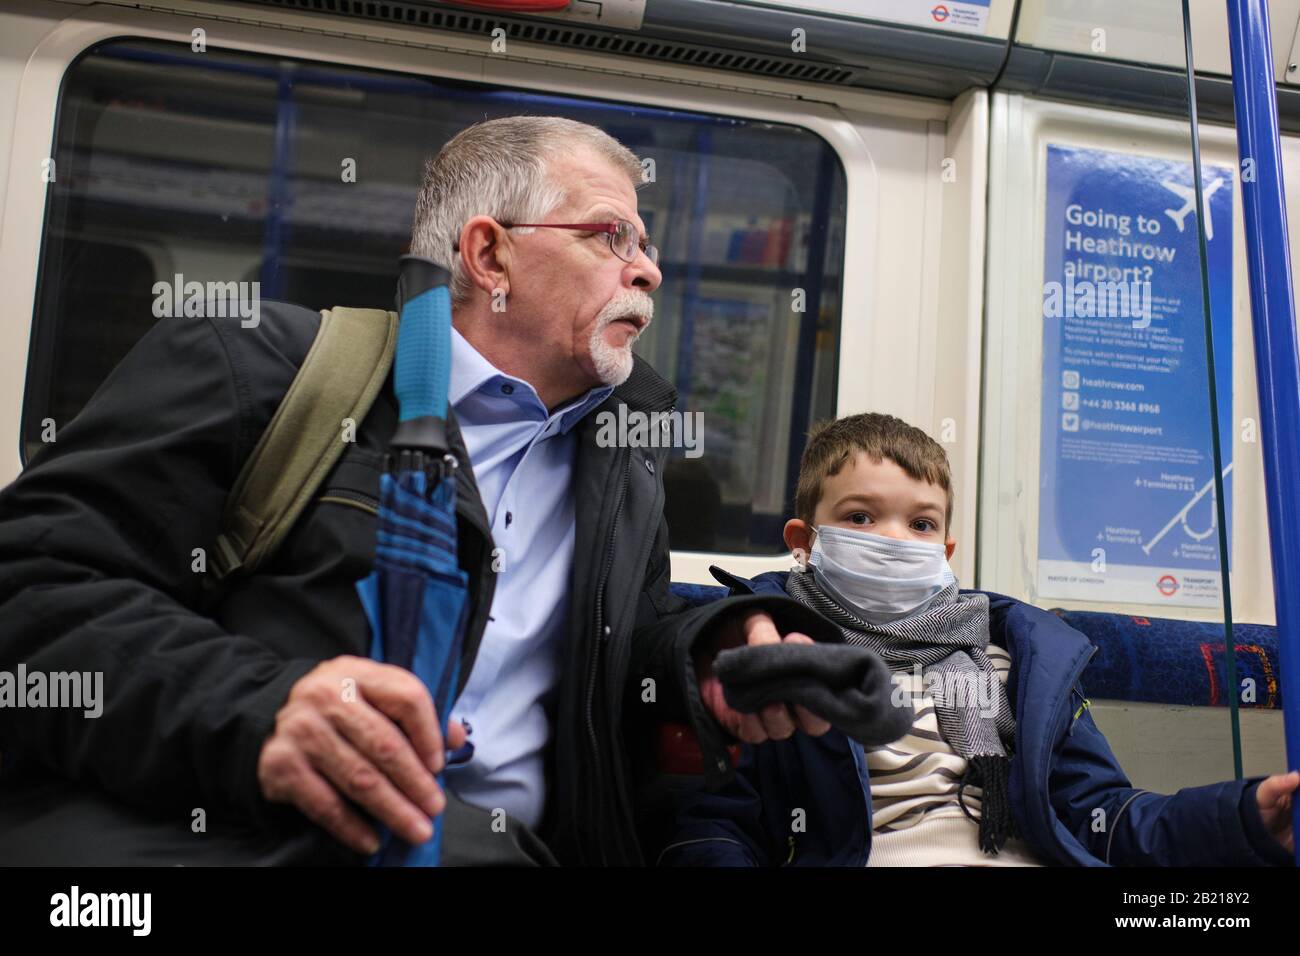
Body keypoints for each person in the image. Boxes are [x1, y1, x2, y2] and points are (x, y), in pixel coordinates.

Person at [0, 116, 836, 866]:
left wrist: (711, 658)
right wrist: (260, 710)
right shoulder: (259, 368)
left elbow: (619, 649)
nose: (648, 271)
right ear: (489, 254)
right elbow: (33, 595)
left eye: (647, 247)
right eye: (613, 236)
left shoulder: (626, 463)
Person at [662, 412, 1297, 866]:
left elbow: (1101, 818)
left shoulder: (1013, 655)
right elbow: (715, 824)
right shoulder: (767, 646)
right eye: (860, 516)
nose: (892, 538)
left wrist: (1245, 816)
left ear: (946, 550)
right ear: (804, 540)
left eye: (920, 523)